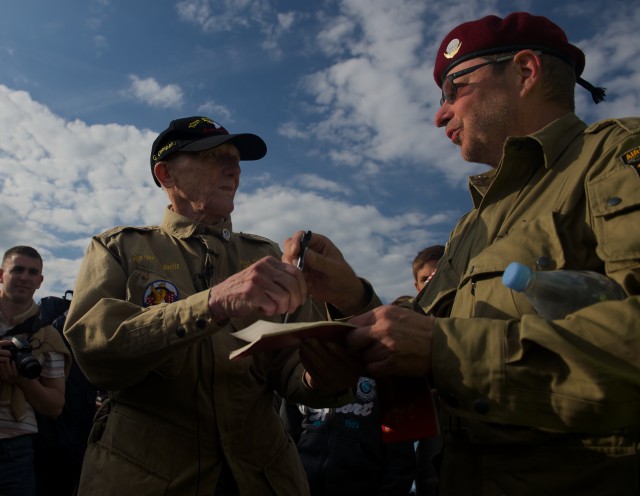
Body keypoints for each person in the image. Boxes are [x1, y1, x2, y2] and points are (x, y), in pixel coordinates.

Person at [282, 12, 640, 496]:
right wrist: (351, 298)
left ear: (525, 71)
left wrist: (443, 350)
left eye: (455, 89)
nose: (440, 114)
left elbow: (436, 344)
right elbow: (421, 338)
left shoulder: (617, 158)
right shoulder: (471, 227)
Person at [63, 116, 374, 496]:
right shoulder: (119, 248)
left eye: (236, 159)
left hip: (264, 478)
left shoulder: (266, 256)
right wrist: (212, 303)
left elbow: (291, 368)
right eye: (212, 157)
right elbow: (96, 351)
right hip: (146, 476)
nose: (233, 168)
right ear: (166, 175)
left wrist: (322, 375)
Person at [0, 246, 71, 496]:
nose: (25, 277)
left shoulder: (47, 336)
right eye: (17, 269)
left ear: (40, 282)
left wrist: (24, 381)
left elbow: (55, 406)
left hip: (14, 451)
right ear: (1, 274)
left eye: (33, 272)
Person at [279, 376, 416, 496]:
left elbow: (401, 459)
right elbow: (284, 443)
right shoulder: (302, 369)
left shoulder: (389, 374)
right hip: (303, 488)